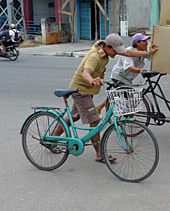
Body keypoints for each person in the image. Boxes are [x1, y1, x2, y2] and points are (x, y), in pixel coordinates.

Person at [52, 33, 157, 163]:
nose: (116, 54)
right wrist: (92, 80)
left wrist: (148, 53)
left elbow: (129, 54)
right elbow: (86, 72)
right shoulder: (95, 56)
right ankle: (100, 154)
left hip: (87, 90)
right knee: (94, 120)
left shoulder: (107, 51)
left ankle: (52, 139)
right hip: (81, 90)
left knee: (74, 116)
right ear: (107, 47)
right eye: (115, 51)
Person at [96, 33, 155, 114]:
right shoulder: (129, 51)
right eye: (144, 41)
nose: (147, 43)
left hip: (128, 78)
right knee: (129, 96)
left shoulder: (142, 52)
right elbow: (129, 67)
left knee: (116, 94)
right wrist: (141, 70)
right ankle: (127, 115)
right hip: (119, 76)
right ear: (137, 43)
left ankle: (100, 107)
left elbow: (153, 57)